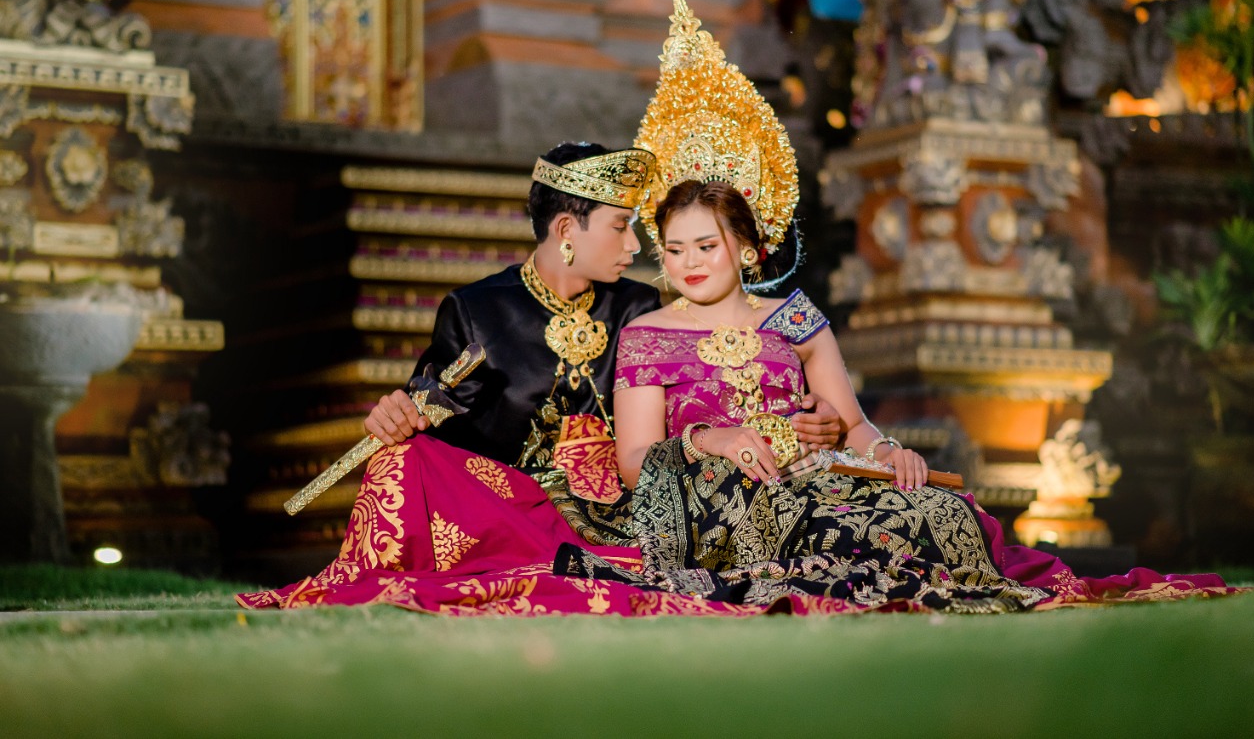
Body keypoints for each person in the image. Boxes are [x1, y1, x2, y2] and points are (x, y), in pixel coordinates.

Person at [554, 0, 1231, 612]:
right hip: (717, 500)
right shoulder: (647, 334)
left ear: (748, 249)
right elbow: (635, 464)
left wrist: (889, 453)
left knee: (946, 514)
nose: (689, 264)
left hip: (817, 479)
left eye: (707, 246)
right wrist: (712, 439)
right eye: (675, 249)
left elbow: (853, 427)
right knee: (812, 528)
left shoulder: (794, 318)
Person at [238, 141, 841, 612]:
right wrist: (400, 414)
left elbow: (714, 379)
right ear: (567, 231)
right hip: (513, 503)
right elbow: (432, 403)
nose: (636, 246)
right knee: (403, 460)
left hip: (630, 501)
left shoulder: (640, 308)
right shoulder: (477, 311)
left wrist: (798, 419)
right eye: (619, 226)